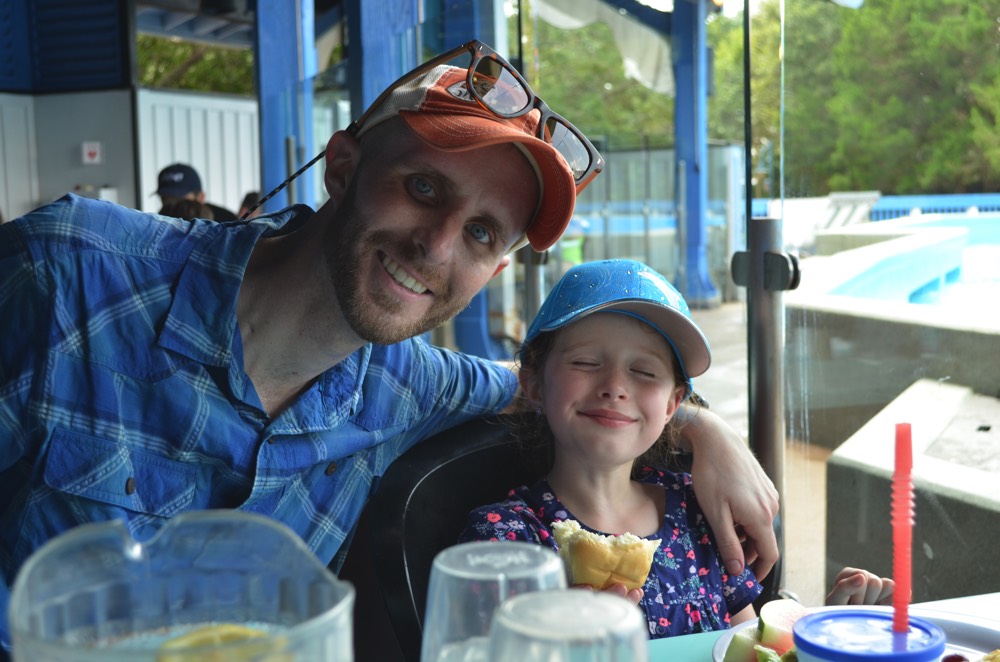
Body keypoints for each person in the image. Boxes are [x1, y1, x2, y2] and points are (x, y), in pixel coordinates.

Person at [0, 40, 776, 654]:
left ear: (493, 272)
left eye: (479, 233)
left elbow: (555, 386)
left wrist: (703, 426)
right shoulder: (67, 272)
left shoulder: (409, 384)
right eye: (425, 188)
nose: (438, 246)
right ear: (343, 167)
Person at [459, 259, 893, 638]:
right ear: (533, 384)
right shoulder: (503, 540)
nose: (614, 387)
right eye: (586, 363)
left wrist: (829, 633)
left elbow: (746, 645)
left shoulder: (698, 510)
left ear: (671, 405)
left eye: (644, 372)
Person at [155, 162, 238, 221]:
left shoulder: (227, 223)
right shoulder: (155, 224)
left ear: (201, 197)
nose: (171, 207)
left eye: (179, 200)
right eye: (165, 199)